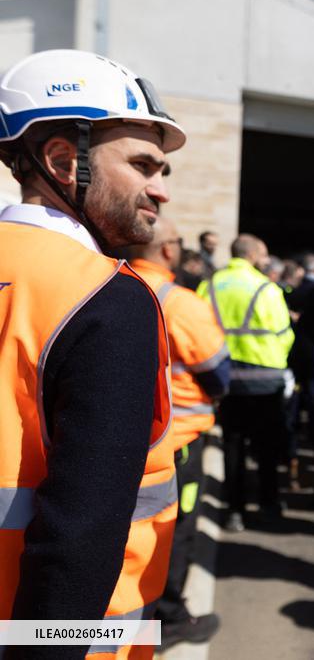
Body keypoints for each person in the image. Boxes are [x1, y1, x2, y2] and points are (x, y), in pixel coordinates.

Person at [0, 49, 184, 658]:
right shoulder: (110, 297)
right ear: (61, 160)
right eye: (142, 165)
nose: (160, 192)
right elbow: (78, 531)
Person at [128, 216, 230, 649]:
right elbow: (217, 372)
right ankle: (169, 617)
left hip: (116, 437)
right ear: (169, 250)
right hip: (179, 442)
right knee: (175, 528)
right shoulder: (182, 303)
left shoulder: (103, 283)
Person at [199, 234, 294, 532]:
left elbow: (198, 330)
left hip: (225, 380)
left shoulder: (209, 285)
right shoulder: (266, 288)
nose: (266, 260)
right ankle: (268, 504)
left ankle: (234, 510)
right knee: (266, 448)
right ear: (252, 255)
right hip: (265, 381)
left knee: (233, 446)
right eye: (264, 255)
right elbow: (284, 334)